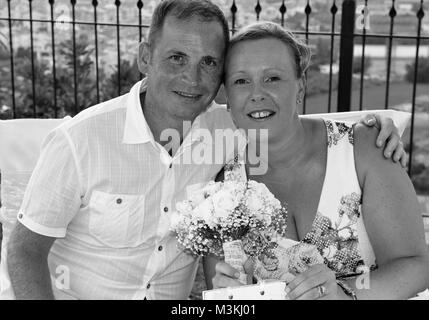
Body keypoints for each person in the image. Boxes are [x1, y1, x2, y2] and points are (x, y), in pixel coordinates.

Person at [5, 0, 404, 300]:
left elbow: (281, 111)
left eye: (209, 63)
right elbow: (24, 250)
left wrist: (375, 126)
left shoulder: (226, 124)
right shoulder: (81, 140)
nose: (192, 78)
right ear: (145, 57)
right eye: (177, 57)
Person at [207, 22, 429, 300]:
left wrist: (344, 295)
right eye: (241, 81)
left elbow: (414, 266)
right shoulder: (224, 192)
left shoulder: (364, 148)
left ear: (300, 87)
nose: (256, 93)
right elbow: (227, 291)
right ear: (227, 97)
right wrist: (226, 293)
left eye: (272, 78)